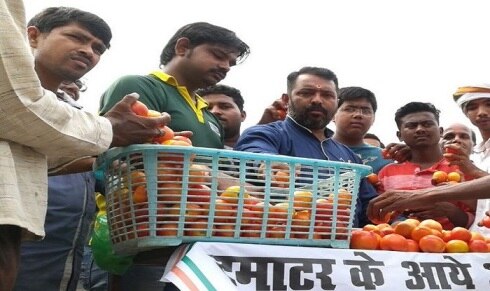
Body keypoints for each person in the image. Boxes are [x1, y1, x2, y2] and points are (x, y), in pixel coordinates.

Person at [0, 2, 168, 290]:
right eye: (76, 38)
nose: (89, 51)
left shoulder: (70, 114)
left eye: (98, 48)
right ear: (32, 36)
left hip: (47, 245)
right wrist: (110, 128)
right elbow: (14, 105)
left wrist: (100, 157)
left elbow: (26, 150)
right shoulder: (29, 104)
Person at [98, 21, 250, 291]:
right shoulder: (140, 85)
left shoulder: (208, 114)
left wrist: (249, 192)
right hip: (147, 236)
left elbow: (216, 173)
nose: (226, 66)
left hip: (197, 238)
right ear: (183, 47)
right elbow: (136, 161)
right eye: (218, 55)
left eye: (230, 62)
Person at [234, 66, 377, 227]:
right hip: (283, 243)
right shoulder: (269, 134)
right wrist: (267, 163)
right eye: (306, 93)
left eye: (327, 95)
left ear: (336, 103)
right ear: (287, 100)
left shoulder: (350, 156)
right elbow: (255, 149)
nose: (317, 100)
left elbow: (370, 207)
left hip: (345, 248)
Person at [376, 102, 475, 229]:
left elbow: (478, 221)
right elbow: (379, 216)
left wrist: (451, 211)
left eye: (427, 124)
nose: (420, 129)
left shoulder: (462, 169)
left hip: (452, 245)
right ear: (399, 135)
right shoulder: (386, 173)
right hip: (395, 245)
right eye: (411, 126)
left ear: (440, 132)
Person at [332, 86, 391, 173]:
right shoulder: (317, 150)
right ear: (333, 114)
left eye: (366, 111)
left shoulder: (385, 158)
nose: (358, 115)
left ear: (373, 119)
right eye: (349, 109)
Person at [196, 84, 246, 148]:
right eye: (206, 108)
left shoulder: (259, 148)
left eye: (225, 107)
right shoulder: (185, 146)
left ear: (242, 115)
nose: (214, 111)